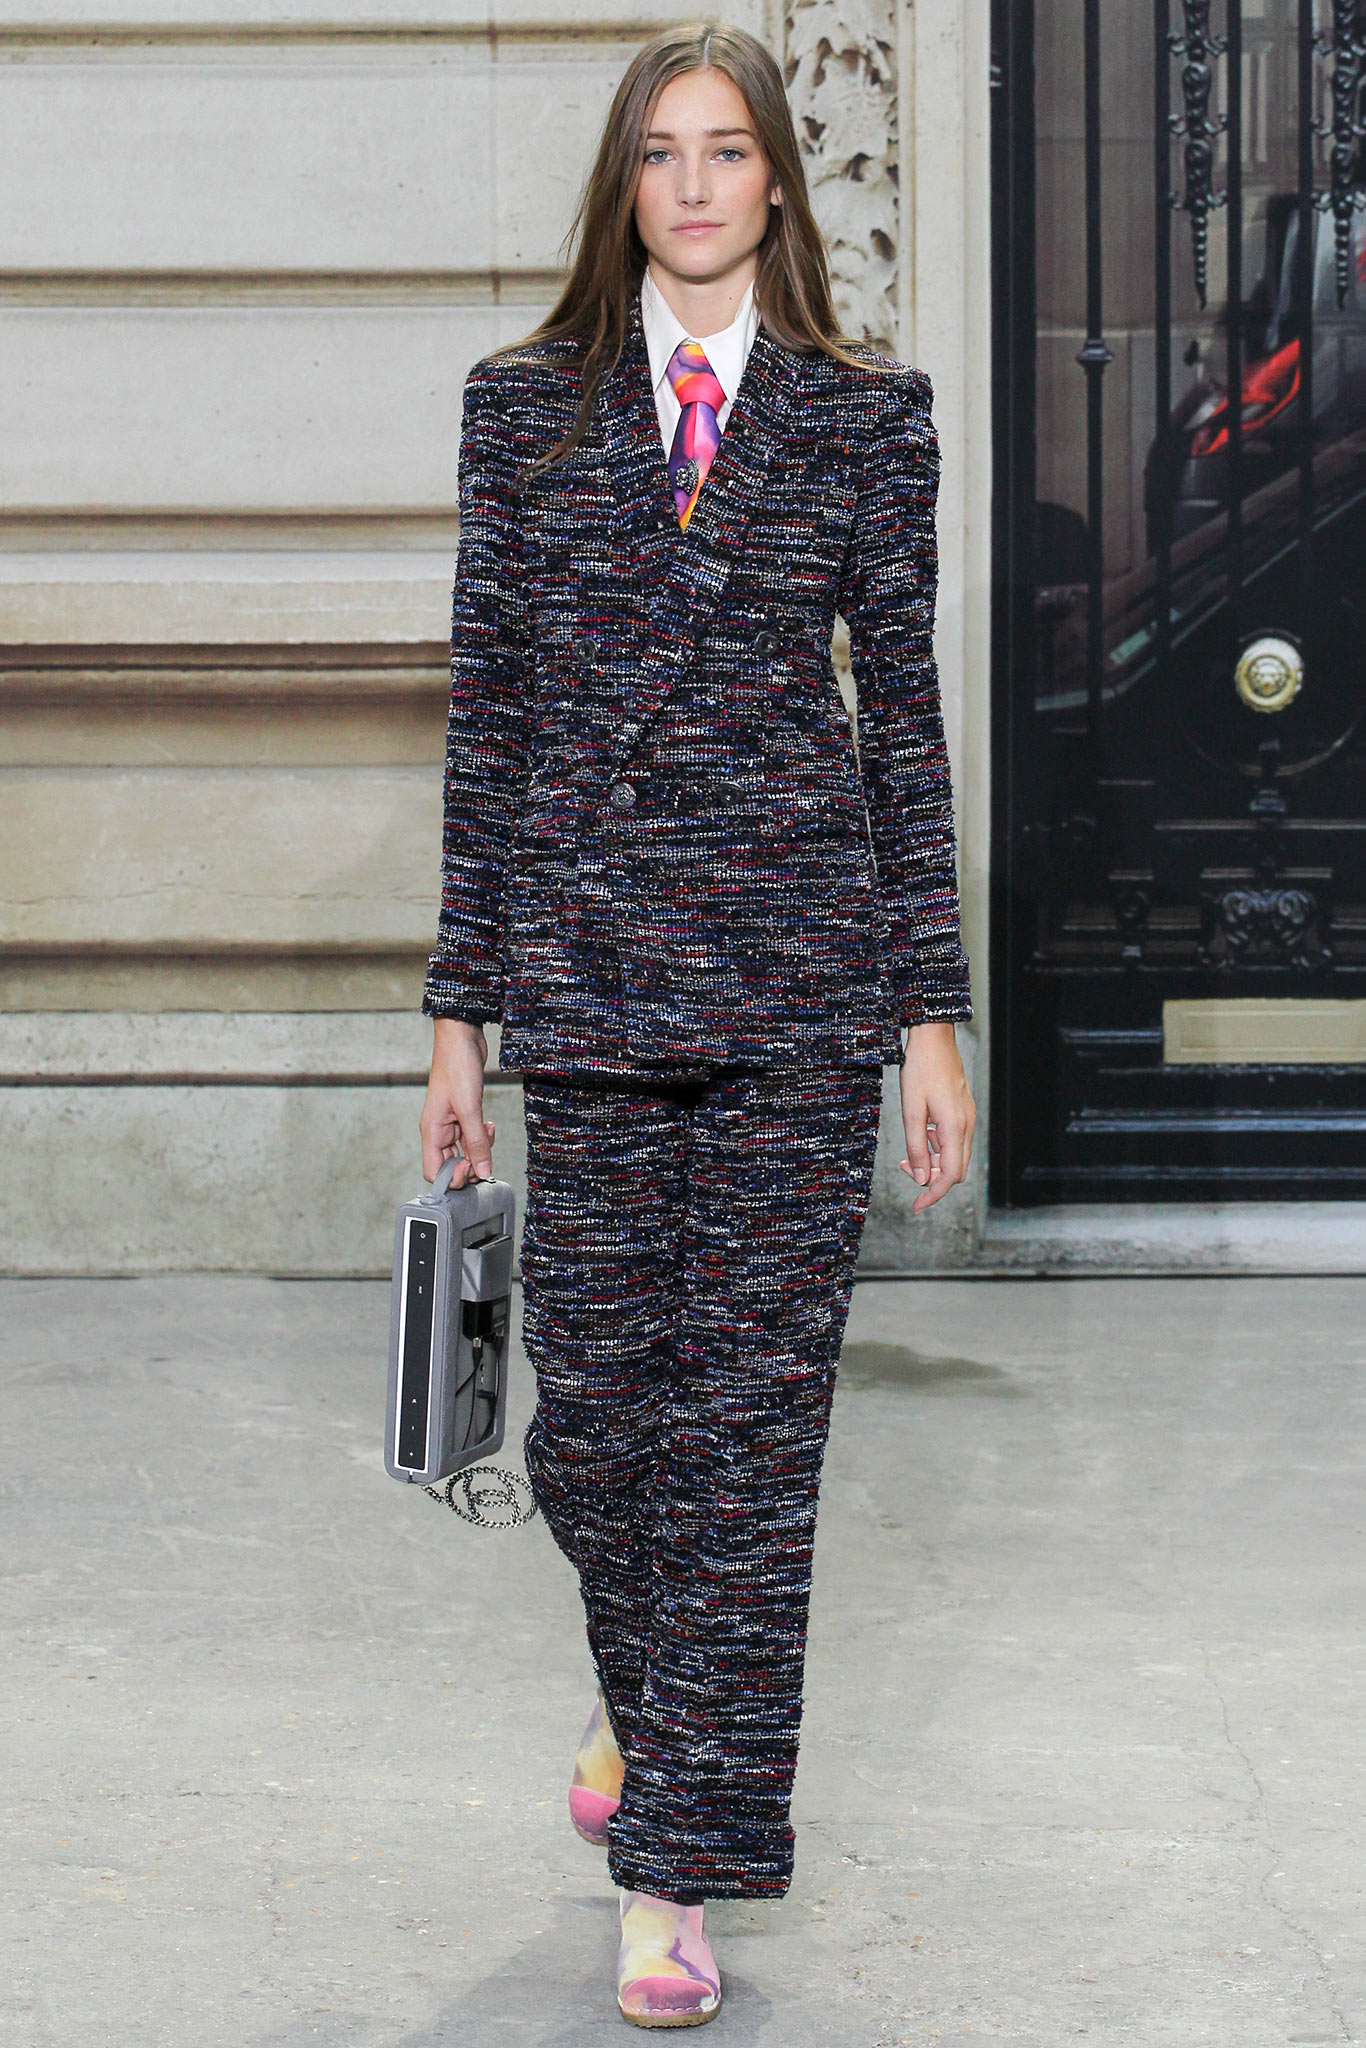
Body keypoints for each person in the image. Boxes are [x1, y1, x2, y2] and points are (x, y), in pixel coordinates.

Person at [418, 18, 976, 2027]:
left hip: (796, 990)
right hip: (581, 983)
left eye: (725, 148)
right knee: (593, 1426)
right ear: (622, 184)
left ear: (775, 182)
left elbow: (899, 720)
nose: (692, 184)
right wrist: (457, 1011)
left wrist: (928, 1012)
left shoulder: (862, 419)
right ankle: (648, 1698)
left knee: (744, 1446)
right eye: (658, 152)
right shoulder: (523, 411)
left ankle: (673, 1862)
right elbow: (489, 718)